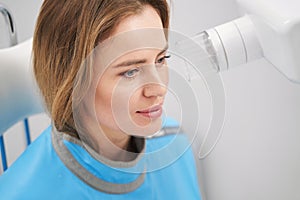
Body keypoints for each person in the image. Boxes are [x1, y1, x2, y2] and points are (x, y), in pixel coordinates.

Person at [0, 0, 201, 199]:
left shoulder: (174, 142)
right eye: (131, 71)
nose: (159, 88)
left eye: (160, 60)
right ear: (72, 80)